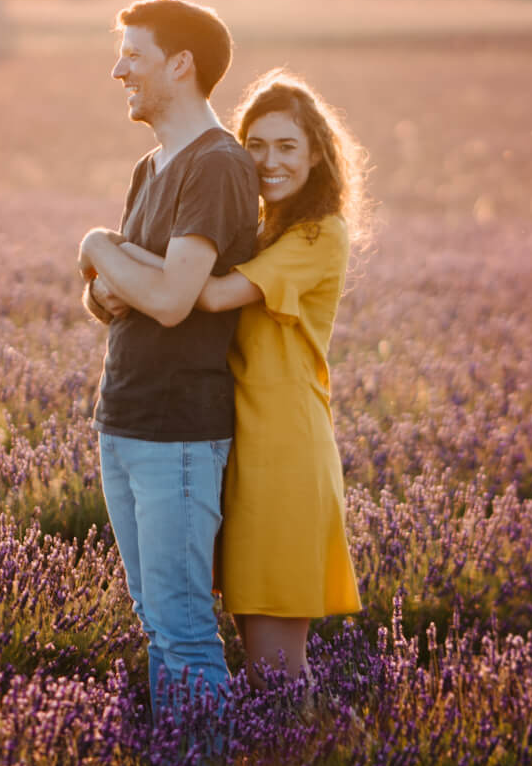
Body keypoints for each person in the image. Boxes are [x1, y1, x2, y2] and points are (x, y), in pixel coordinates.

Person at [88, 69, 367, 687]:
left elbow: (206, 296)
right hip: (234, 442)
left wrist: (101, 247)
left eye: (288, 146)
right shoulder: (261, 229)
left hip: (283, 452)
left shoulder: (320, 235)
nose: (269, 161)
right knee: (234, 644)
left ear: (318, 152)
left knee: (275, 668)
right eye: (257, 145)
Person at [76, 0, 259, 715]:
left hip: (179, 432)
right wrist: (121, 277)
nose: (118, 68)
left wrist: (97, 246)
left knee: (182, 630)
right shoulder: (151, 166)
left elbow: (172, 298)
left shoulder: (216, 165)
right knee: (155, 622)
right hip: (123, 418)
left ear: (181, 65)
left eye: (134, 54)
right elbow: (107, 302)